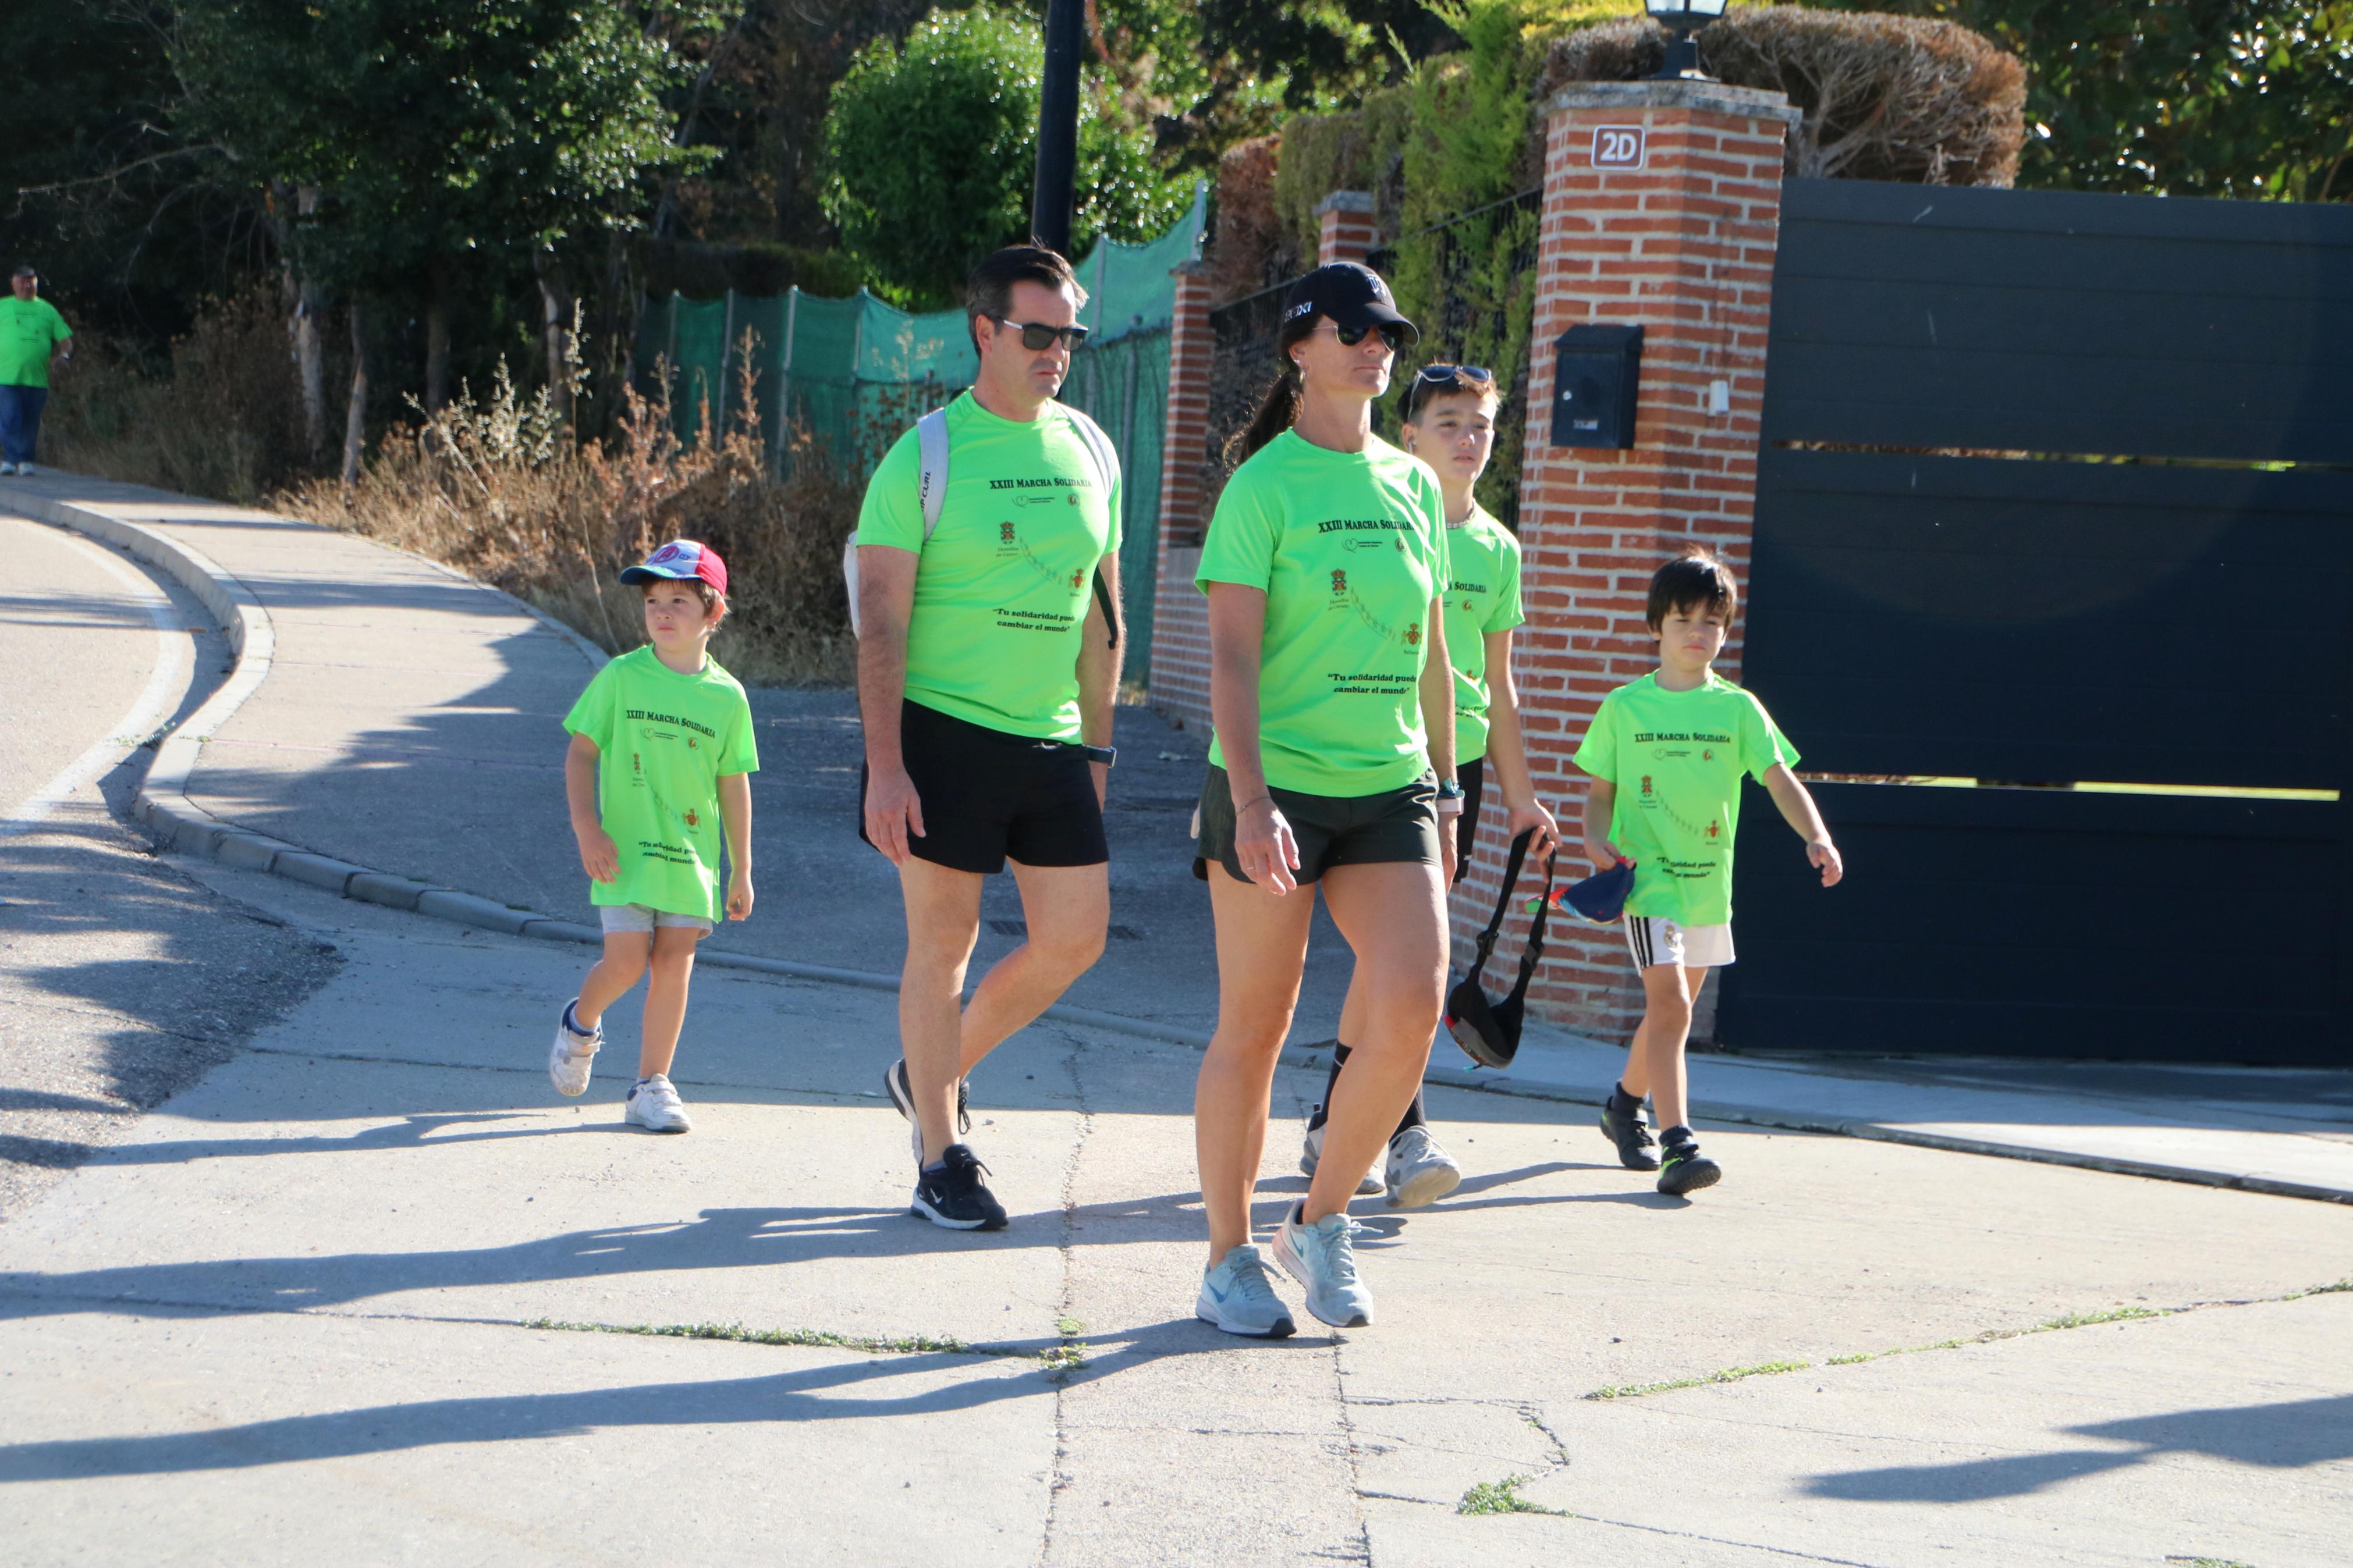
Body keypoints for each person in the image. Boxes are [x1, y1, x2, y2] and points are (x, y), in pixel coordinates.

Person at [1190, 261, 1456, 1336]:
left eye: (1386, 328)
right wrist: (1250, 804)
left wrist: (1441, 786)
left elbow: (1434, 651)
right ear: (1299, 349)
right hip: (1274, 785)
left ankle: (1319, 1219)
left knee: (1412, 1002)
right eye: (1351, 328)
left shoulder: (1411, 486)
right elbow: (1231, 662)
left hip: (1387, 784)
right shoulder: (1262, 487)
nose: (1373, 343)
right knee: (1255, 1027)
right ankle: (1224, 1260)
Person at [854, 244, 1123, 1233]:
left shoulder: (1091, 449)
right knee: (944, 943)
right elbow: (877, 621)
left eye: (1069, 334)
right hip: (941, 733)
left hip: (1051, 741)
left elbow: (1105, 618)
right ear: (985, 332)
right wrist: (884, 766)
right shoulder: (924, 454)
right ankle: (940, 1152)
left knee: (1075, 938)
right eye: (1038, 332)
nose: (1057, 350)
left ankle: (928, 1072)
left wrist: (1097, 751)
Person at [1298, 362, 1559, 1209]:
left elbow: (1498, 684)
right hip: (1386, 752)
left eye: (1480, 424)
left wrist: (1519, 796)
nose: (1466, 439)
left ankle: (1331, 1117)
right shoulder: (1384, 510)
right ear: (1408, 433)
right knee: (1404, 956)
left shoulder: (1496, 546)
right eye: (1448, 422)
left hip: (1460, 770)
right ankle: (1400, 1132)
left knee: (1399, 954)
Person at [1578, 549, 1843, 1194]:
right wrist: (1593, 841)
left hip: (1706, 886)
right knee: (1668, 1004)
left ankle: (1621, 1106)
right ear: (1654, 627)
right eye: (1681, 619)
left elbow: (1780, 779)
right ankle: (1678, 1143)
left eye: (1711, 621)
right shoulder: (1623, 707)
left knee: (1673, 1011)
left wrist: (1816, 833)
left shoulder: (1738, 710)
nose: (1697, 633)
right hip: (1647, 885)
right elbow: (1597, 794)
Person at [548, 539, 758, 1133]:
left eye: (678, 601)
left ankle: (651, 1084)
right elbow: (580, 754)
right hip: (623, 857)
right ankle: (581, 1023)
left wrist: (741, 867)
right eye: (652, 600)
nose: (661, 612)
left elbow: (734, 783)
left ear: (713, 614)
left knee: (674, 966)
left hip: (691, 862)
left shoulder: (726, 696)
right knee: (624, 964)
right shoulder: (621, 677)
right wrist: (587, 828)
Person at [0, 265, 73, 477]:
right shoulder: (3, 307)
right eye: (22, 281)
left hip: (37, 378)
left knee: (31, 420)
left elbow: (66, 341)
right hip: (6, 376)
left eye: (31, 281)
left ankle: (25, 460)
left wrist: (64, 356)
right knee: (11, 417)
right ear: (13, 283)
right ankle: (11, 459)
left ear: (37, 284)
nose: (27, 286)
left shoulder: (47, 310)